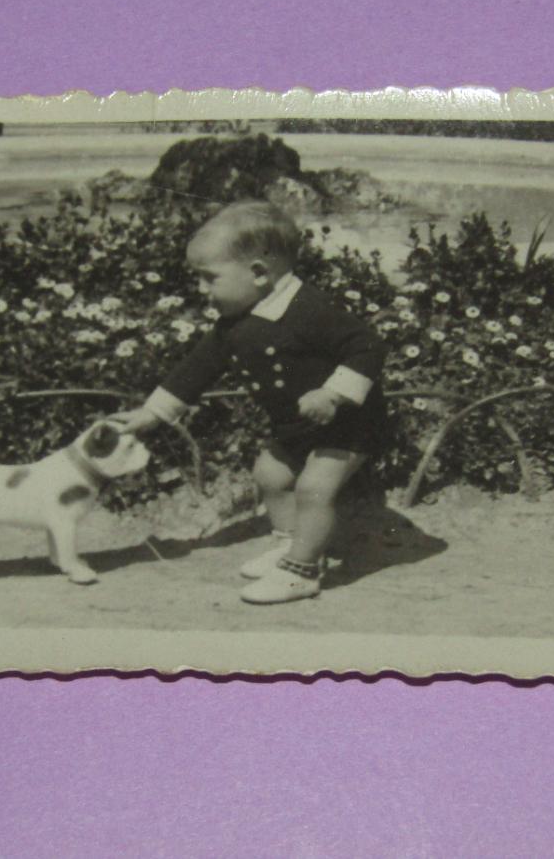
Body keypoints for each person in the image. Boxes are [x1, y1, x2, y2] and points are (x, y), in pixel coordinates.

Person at [114, 201, 388, 604]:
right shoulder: (235, 322)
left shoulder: (309, 309)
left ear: (259, 273)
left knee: (314, 489)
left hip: (349, 421)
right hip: (296, 424)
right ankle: (289, 544)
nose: (202, 291)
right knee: (270, 477)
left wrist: (333, 392)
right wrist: (153, 413)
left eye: (210, 279)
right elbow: (198, 368)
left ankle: (303, 569)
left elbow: (367, 345)